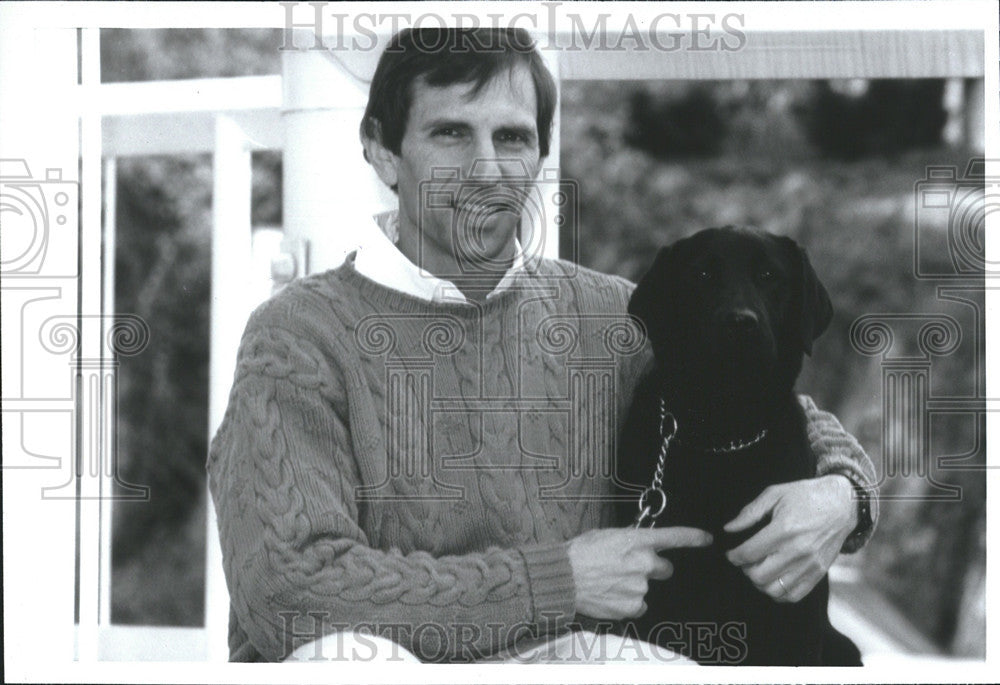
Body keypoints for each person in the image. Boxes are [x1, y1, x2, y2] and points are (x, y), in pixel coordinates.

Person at [207, 26, 877, 664]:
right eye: (450, 133)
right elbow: (288, 590)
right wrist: (554, 580)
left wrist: (844, 493)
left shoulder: (608, 316)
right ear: (383, 149)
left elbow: (771, 399)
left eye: (512, 137)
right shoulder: (298, 335)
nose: (487, 169)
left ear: (540, 154)